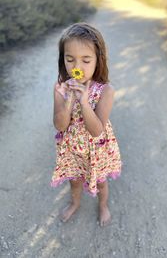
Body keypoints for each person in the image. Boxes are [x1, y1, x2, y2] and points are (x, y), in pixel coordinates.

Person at [51, 22, 122, 226]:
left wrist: (83, 102)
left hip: (97, 150)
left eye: (86, 60)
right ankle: (75, 203)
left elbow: (97, 130)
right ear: (62, 59)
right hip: (72, 149)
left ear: (97, 60)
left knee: (100, 183)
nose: (77, 67)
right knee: (74, 182)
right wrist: (70, 100)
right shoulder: (60, 89)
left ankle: (103, 206)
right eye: (70, 59)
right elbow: (60, 125)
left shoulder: (106, 90)